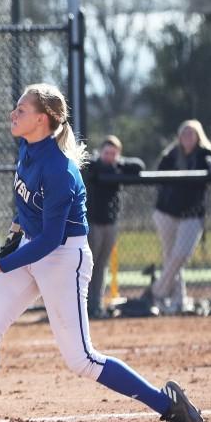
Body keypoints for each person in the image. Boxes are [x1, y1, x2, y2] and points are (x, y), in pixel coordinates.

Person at [0, 84, 206, 422]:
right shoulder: (26, 147)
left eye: (21, 109)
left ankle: (168, 405)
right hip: (33, 250)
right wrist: (14, 239)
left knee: (81, 359)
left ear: (42, 119)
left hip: (65, 258)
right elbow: (26, 207)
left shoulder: (61, 170)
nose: (13, 114)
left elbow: (53, 239)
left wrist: (4, 264)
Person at [147, 120, 211, 314]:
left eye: (192, 133)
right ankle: (178, 301)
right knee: (170, 256)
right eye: (184, 133)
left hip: (192, 215)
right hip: (166, 212)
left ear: (199, 136)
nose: (187, 137)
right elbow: (157, 177)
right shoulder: (171, 154)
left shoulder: (205, 154)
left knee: (180, 255)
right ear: (179, 137)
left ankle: (157, 291)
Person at [82, 136, 144, 317]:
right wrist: (108, 166)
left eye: (113, 154)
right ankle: (85, 303)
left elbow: (139, 166)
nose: (109, 157)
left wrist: (118, 163)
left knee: (101, 265)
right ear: (100, 152)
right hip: (93, 222)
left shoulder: (118, 166)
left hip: (110, 223)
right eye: (106, 153)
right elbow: (90, 166)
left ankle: (96, 303)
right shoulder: (93, 166)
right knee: (89, 264)